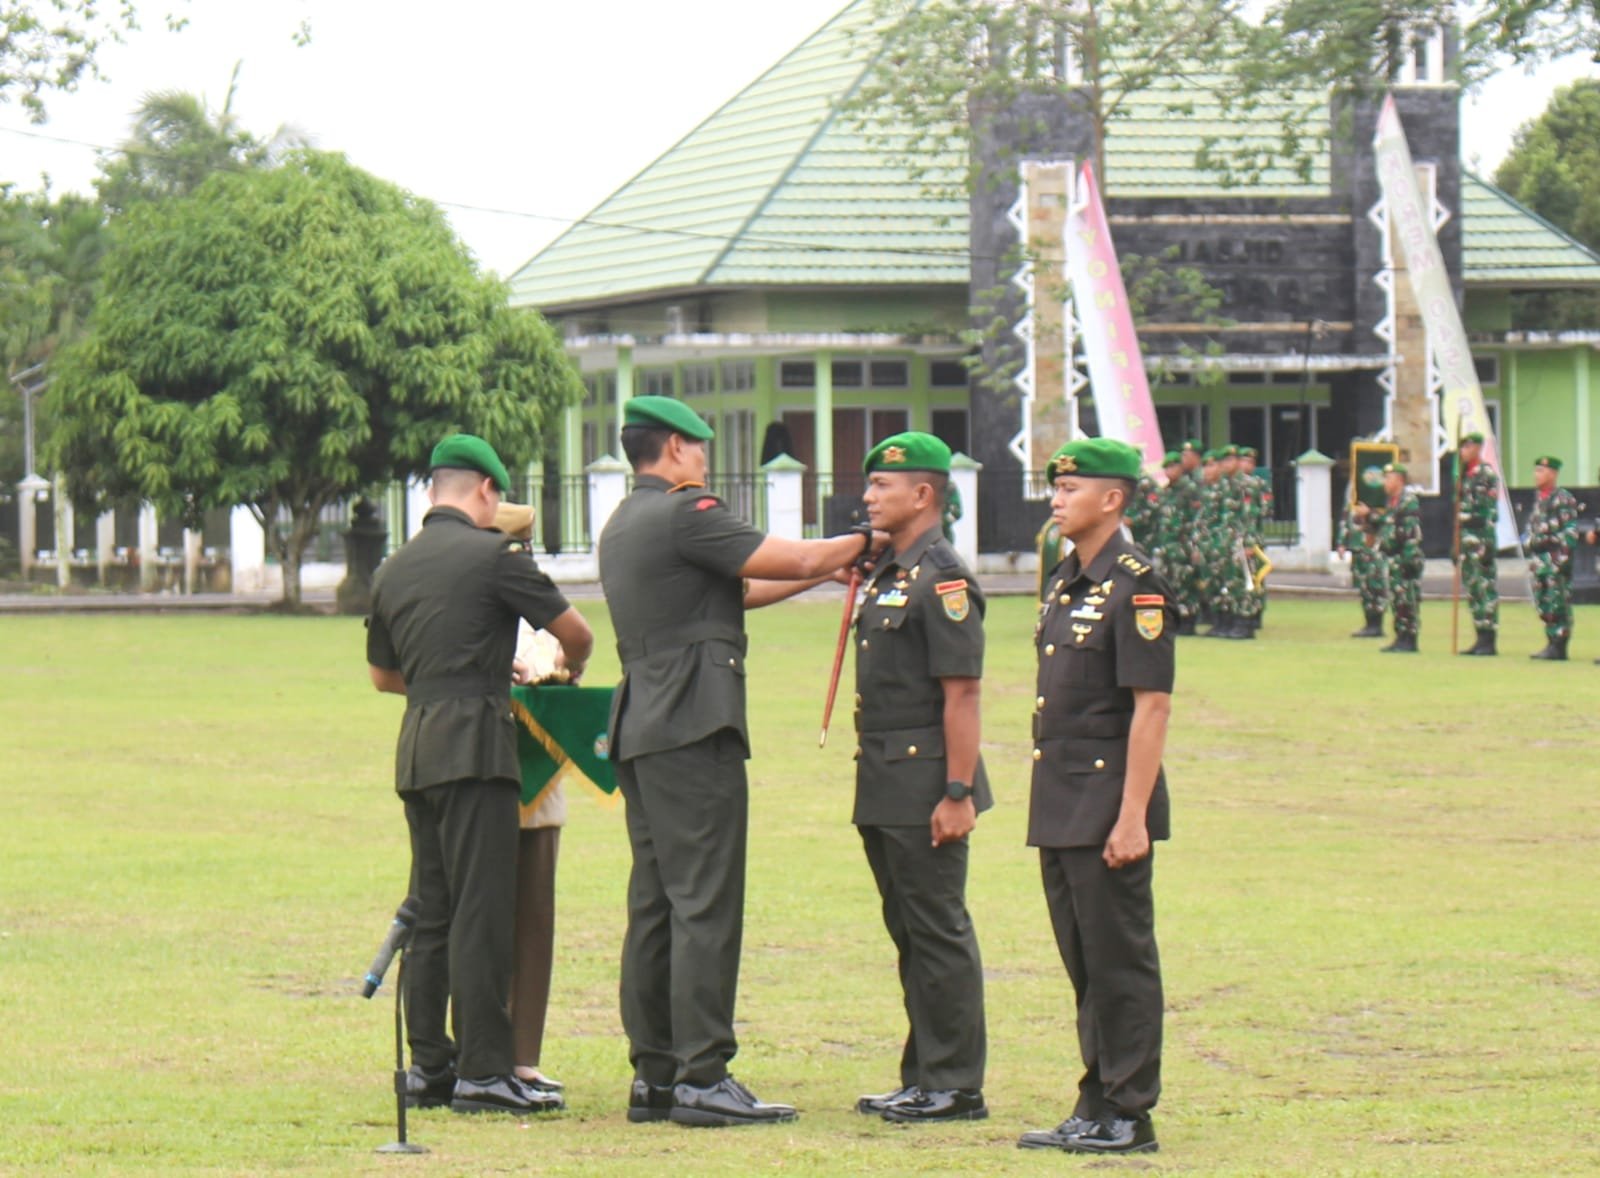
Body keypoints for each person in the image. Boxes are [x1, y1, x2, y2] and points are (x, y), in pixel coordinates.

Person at [599, 395, 882, 1128]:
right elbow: (790, 554)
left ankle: (656, 1075)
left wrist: (825, 572)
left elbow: (744, 588)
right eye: (697, 445)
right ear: (673, 448)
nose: (704, 457)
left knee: (656, 903)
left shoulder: (626, 521)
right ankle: (704, 1075)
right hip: (694, 723)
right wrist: (862, 540)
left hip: (643, 726)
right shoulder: (687, 513)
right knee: (705, 903)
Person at [366, 434, 595, 1116]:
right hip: (477, 747)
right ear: (487, 491)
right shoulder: (495, 556)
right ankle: (486, 1071)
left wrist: (448, 678)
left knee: (429, 909)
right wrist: (562, 670)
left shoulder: (394, 567)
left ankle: (430, 1065)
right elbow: (576, 632)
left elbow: (382, 676)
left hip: (418, 747)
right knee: (483, 908)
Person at [1017, 437, 1176, 1157]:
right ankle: (1096, 1097)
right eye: (1056, 487)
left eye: (1072, 489)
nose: (1058, 498)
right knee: (1084, 960)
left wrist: (1133, 816)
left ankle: (1129, 1112)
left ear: (1112, 499)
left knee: (1120, 959)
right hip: (1060, 796)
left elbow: (1152, 707)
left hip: (1110, 801)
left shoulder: (1135, 584)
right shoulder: (1068, 577)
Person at [850, 432, 991, 1126]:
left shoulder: (943, 578)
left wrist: (959, 792)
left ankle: (956, 1083)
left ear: (923, 495)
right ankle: (923, 1073)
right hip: (882, 776)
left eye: (883, 485)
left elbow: (961, 694)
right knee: (909, 930)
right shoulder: (890, 570)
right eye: (871, 484)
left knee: (937, 930)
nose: (870, 495)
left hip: (927, 779)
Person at [491, 502, 569, 1097]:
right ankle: (477, 1053)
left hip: (536, 780)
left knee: (533, 917)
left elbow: (567, 656)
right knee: (477, 917)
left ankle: (523, 1055)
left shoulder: (540, 611)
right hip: (479, 771)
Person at [1357, 463, 1423, 653]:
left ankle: (1409, 638)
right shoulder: (1393, 502)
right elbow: (1387, 523)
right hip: (1394, 557)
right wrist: (1369, 515)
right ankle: (1401, 636)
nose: (1385, 482)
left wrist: (1410, 558)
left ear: (1399, 480)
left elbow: (1411, 532)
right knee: (1397, 599)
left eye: (1388, 477)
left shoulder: (1408, 501)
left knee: (1407, 599)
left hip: (1405, 558)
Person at [1526, 455, 1581, 661]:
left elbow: (1570, 532)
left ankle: (1559, 644)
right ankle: (1550, 642)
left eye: (1541, 471)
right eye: (1536, 470)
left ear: (1553, 474)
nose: (1537, 475)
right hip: (1540, 560)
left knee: (1557, 601)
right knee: (1543, 601)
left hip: (1555, 558)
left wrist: (1562, 560)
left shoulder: (1563, 498)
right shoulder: (1540, 499)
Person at [1455, 433, 1500, 656]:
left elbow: (1486, 512)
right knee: (1473, 589)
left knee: (1485, 588)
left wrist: (1463, 518)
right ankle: (1479, 634)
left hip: (1481, 540)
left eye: (1466, 447)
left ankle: (1488, 638)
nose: (1462, 451)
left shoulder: (1485, 474)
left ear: (1476, 448)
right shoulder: (1466, 475)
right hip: (1467, 542)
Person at [1337, 500, 1387, 638]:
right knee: (1364, 590)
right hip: (1357, 550)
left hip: (1373, 551)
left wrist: (1369, 513)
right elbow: (1345, 521)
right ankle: (1369, 624)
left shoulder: (1379, 499)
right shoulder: (1352, 497)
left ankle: (1376, 625)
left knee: (1375, 588)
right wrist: (1341, 542)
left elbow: (1385, 521)